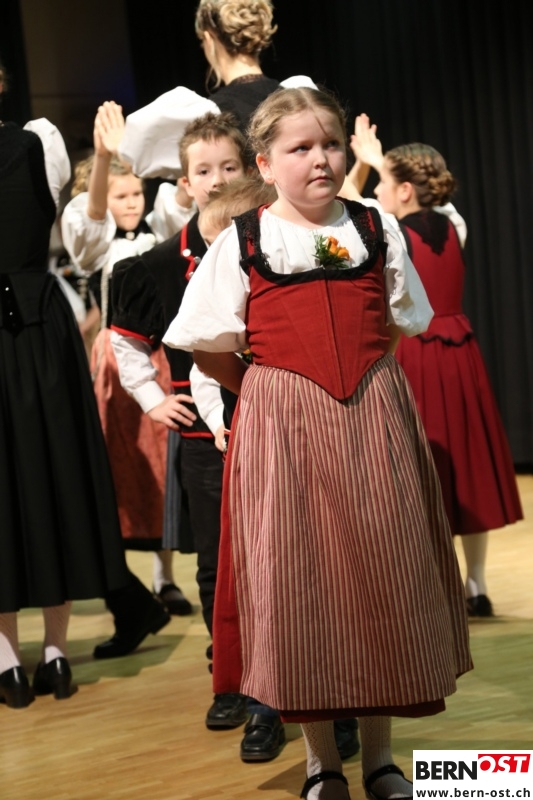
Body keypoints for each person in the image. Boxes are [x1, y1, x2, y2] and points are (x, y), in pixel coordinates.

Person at [162, 86, 473, 800]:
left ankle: (381, 758)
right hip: (284, 426)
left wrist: (364, 378)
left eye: (330, 144)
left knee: (382, 575)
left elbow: (398, 322)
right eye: (300, 148)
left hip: (372, 416)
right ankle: (321, 764)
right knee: (300, 585)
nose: (321, 159)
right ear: (265, 164)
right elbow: (206, 344)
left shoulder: (373, 226)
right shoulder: (245, 238)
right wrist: (268, 388)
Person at [110, 115, 261, 745]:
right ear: (185, 181)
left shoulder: (274, 240)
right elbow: (125, 340)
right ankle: (229, 678)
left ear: (250, 170)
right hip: (205, 440)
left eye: (229, 167)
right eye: (204, 170)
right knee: (215, 561)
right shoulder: (157, 265)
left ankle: (283, 681)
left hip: (278, 427)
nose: (218, 180)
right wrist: (151, 399)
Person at [0, 60, 145, 709]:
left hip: (31, 329)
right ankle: (54, 656)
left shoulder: (40, 141)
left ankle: (9, 663)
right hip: (41, 330)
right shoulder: (40, 142)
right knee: (52, 477)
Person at [347, 116, 523, 618]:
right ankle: (475, 584)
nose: (377, 191)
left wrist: (368, 161)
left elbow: (346, 197)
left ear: (404, 190)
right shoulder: (454, 224)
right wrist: (380, 164)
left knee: (424, 469)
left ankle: (438, 588)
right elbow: (427, 200)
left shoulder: (390, 232)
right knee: (463, 464)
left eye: (385, 183)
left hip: (417, 353)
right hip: (460, 354)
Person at [61, 101, 192, 659]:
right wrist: (104, 162)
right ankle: (135, 581)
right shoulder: (96, 241)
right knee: (124, 467)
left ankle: (165, 577)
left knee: (165, 468)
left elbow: (180, 208)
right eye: (121, 195)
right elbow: (89, 224)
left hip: (161, 356)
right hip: (117, 364)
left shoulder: (157, 229)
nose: (132, 202)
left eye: (136, 193)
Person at [117, 0, 316, 180]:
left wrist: (118, 145)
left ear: (209, 38)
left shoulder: (209, 117)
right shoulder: (301, 94)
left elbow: (136, 159)